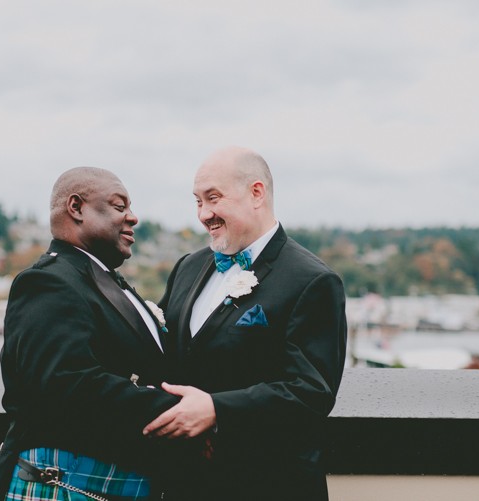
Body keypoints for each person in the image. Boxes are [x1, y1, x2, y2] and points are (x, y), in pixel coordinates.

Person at [144, 147, 348, 500]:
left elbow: (309, 393)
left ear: (257, 193)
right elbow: (162, 355)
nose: (204, 214)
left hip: (266, 484)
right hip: (185, 484)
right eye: (197, 201)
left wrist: (216, 410)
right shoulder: (188, 268)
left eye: (213, 198)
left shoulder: (312, 281)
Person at [0, 167, 180, 501]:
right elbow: (66, 383)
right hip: (68, 483)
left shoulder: (99, 279)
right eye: (120, 206)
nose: (133, 218)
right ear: (76, 208)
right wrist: (177, 410)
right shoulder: (49, 281)